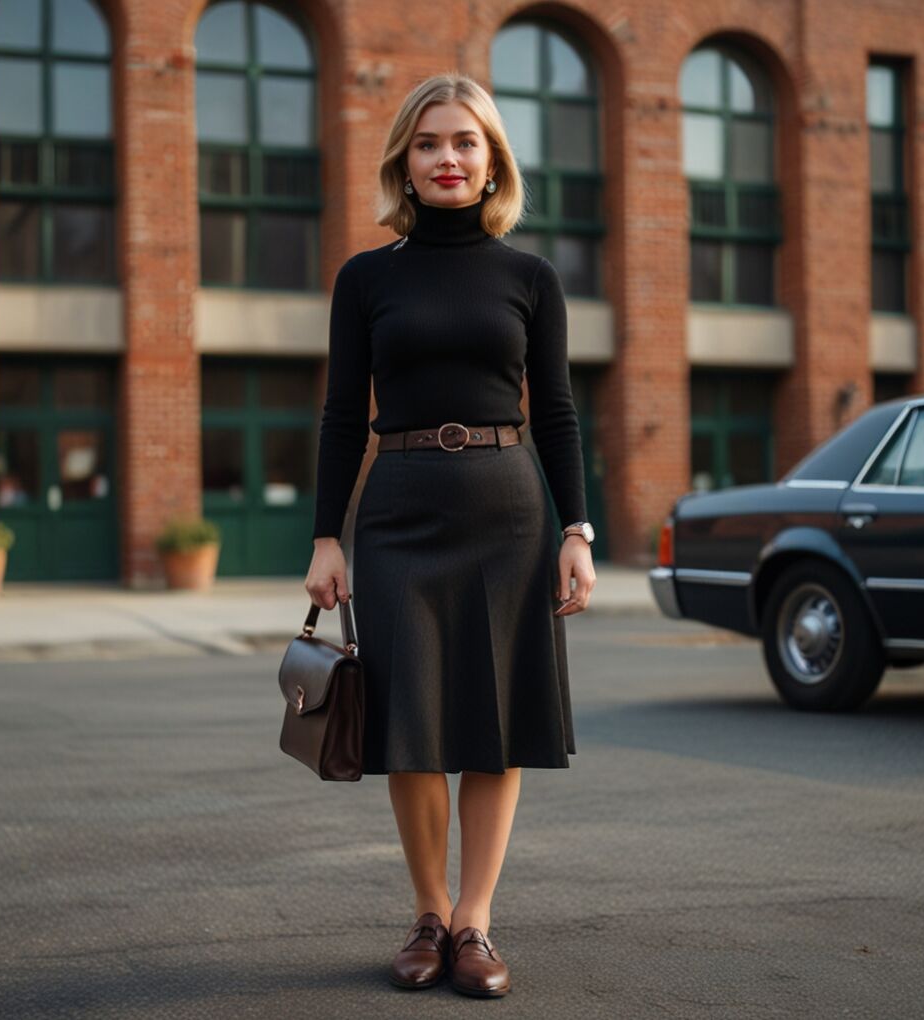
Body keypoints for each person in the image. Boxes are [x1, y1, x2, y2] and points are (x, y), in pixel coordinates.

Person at [305, 71, 596, 998]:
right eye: (429, 143)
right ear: (404, 159)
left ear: (491, 161)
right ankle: (428, 913)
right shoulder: (366, 278)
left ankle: (476, 922)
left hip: (509, 510)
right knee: (414, 723)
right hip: (398, 509)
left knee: (494, 722)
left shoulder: (530, 277)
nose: (447, 158)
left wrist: (577, 528)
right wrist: (325, 538)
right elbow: (342, 413)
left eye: (466, 142)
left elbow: (554, 410)